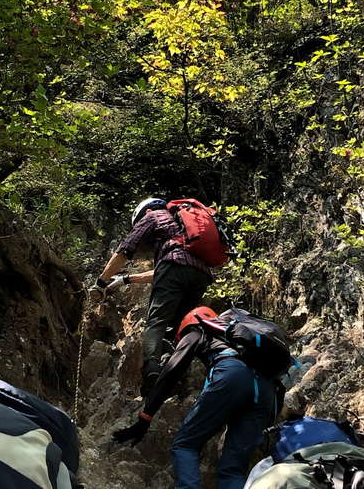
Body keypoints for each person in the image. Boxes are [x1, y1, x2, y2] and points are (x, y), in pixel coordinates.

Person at [112, 307, 277, 489]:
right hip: (266, 388)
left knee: (185, 445)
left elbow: (171, 373)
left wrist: (145, 418)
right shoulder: (238, 337)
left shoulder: (198, 331)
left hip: (232, 375)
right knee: (233, 470)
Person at [90, 197, 213, 395]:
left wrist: (101, 282)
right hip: (201, 276)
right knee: (179, 327)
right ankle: (175, 375)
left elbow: (125, 250)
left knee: (157, 322)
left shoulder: (153, 216)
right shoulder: (182, 229)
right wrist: (126, 279)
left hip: (174, 270)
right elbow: (166, 269)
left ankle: (152, 375)